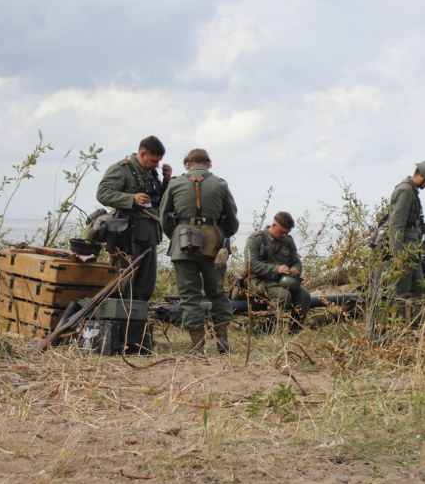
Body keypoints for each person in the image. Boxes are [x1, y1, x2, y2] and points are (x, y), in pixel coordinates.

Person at [159, 148, 239, 353]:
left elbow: (164, 216)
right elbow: (232, 220)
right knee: (218, 293)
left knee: (189, 297)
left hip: (182, 245)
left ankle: (197, 346)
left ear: (187, 164)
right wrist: (220, 234)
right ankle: (222, 341)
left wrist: (176, 235)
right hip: (213, 246)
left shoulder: (175, 183)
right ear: (209, 164)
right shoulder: (220, 184)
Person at [96, 135, 172, 302]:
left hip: (150, 236)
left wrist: (166, 181)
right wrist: (131, 199)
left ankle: (137, 316)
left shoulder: (151, 173)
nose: (157, 165)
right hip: (127, 238)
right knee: (122, 284)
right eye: (154, 161)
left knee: (145, 286)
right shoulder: (122, 169)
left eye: (158, 162)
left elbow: (158, 201)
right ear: (142, 154)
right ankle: (117, 316)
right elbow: (103, 193)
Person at [244, 211, 311, 331]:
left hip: (282, 282)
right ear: (274, 225)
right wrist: (277, 269)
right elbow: (250, 265)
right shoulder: (256, 239)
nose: (285, 235)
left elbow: (296, 261)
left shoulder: (288, 241)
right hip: (258, 282)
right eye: (282, 232)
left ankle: (295, 330)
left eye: (287, 232)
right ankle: (265, 330)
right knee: (283, 295)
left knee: (304, 295)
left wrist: (296, 269)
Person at [384, 159, 425, 299]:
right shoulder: (405, 191)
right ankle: (389, 314)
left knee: (420, 291)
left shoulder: (411, 191)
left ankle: (419, 314)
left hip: (412, 249)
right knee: (398, 293)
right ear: (421, 175)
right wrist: (397, 254)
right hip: (404, 250)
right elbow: (396, 224)